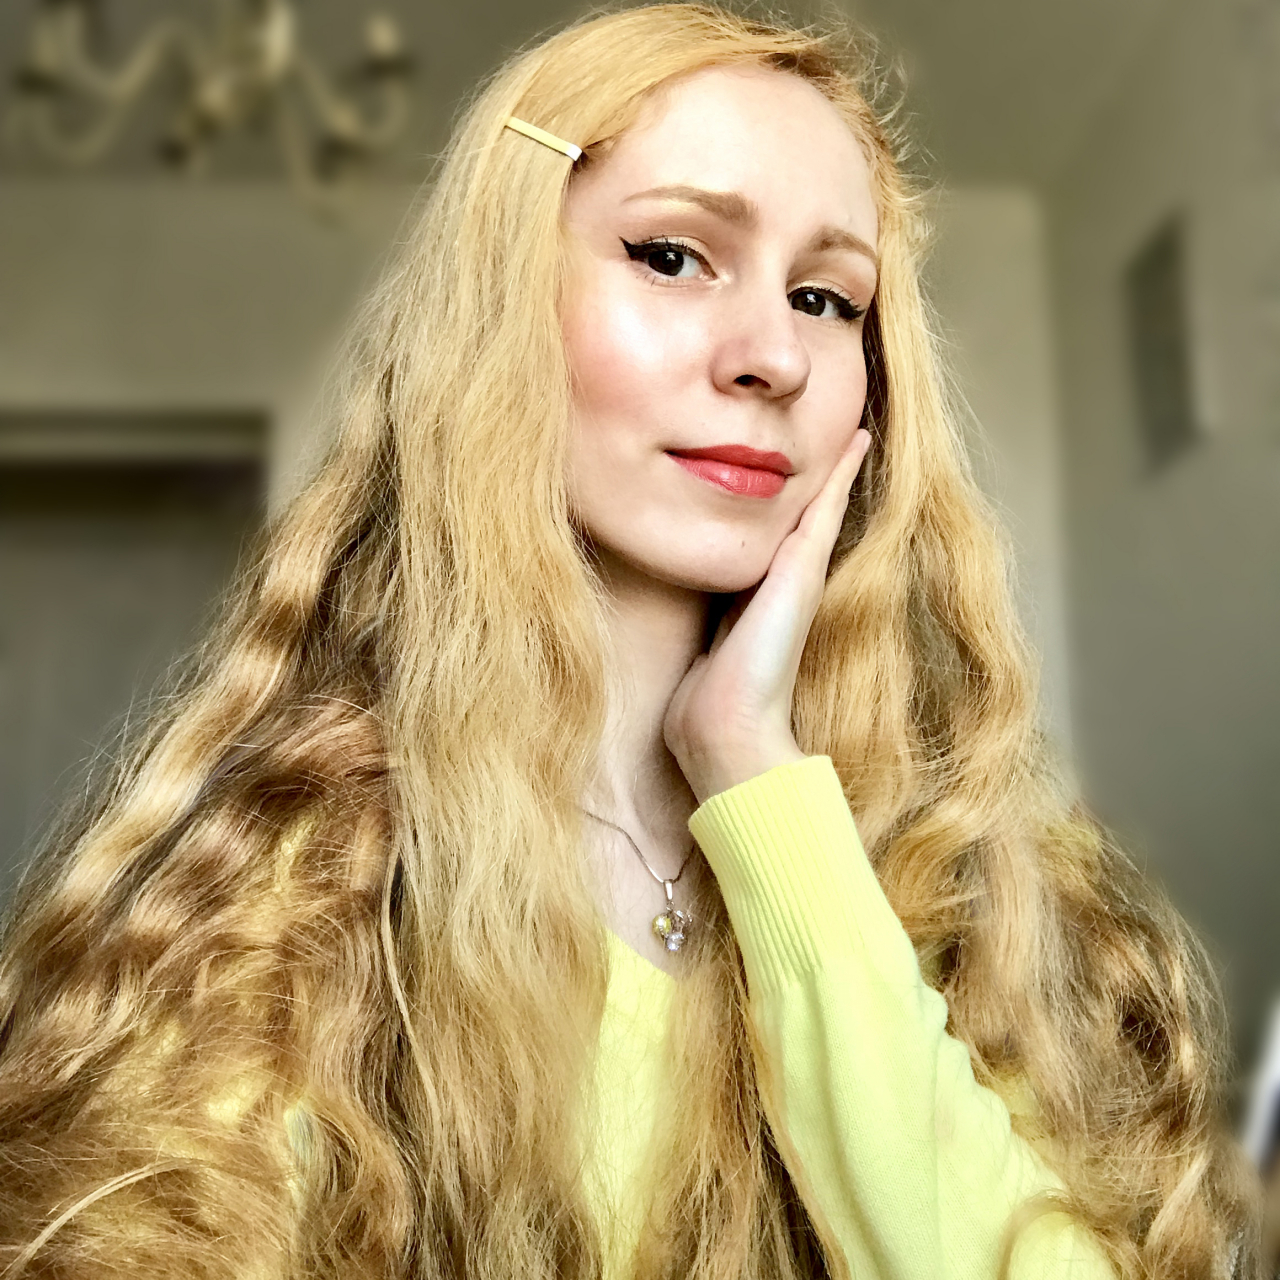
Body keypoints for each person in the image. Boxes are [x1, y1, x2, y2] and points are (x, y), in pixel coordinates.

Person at [0, 5, 1263, 1279]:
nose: (772, 354)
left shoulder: (974, 872)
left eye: (824, 297)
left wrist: (752, 772)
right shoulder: (292, 887)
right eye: (670, 256)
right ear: (502, 305)